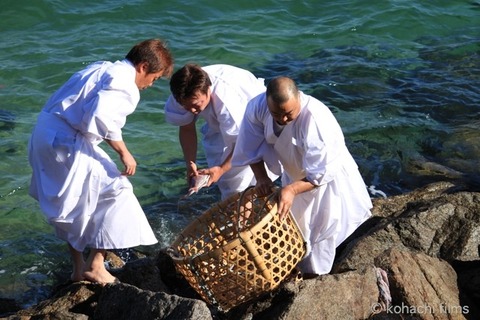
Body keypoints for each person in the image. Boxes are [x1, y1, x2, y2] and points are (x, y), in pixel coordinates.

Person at [28, 39, 174, 285]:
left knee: (73, 204)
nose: (151, 84)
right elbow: (100, 117)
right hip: (66, 141)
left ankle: (78, 269)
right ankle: (95, 266)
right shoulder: (125, 83)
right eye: (155, 78)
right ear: (143, 67)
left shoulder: (102, 67)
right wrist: (124, 152)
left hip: (44, 134)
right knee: (118, 190)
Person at [232, 76, 372, 277]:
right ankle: (298, 270)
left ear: (298, 98)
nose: (283, 119)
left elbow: (320, 174)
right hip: (294, 173)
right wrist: (262, 178)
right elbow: (249, 148)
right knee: (295, 231)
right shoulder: (257, 107)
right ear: (266, 101)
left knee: (326, 230)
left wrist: (291, 190)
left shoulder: (316, 119)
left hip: (327, 180)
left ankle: (322, 278)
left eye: (289, 114)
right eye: (276, 114)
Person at [165, 63, 278, 200]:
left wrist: (221, 169)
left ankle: (244, 209)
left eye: (196, 105)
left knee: (238, 184)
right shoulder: (181, 93)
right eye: (186, 106)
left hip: (256, 118)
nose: (192, 111)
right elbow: (186, 127)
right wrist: (190, 162)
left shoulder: (226, 102)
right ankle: (241, 210)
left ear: (208, 90)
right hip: (220, 124)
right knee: (224, 175)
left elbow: (243, 144)